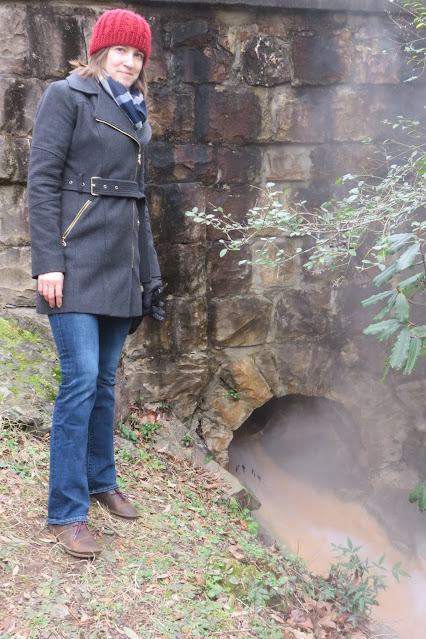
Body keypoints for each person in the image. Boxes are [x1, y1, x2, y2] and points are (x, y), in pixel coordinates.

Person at [28, 8, 165, 558]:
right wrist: (48, 263)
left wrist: (149, 273)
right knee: (81, 379)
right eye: (121, 51)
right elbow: (40, 182)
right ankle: (66, 512)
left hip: (120, 263)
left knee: (106, 381)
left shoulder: (135, 113)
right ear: (100, 52)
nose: (130, 62)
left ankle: (101, 479)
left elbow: (138, 203)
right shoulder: (66, 97)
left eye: (138, 54)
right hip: (75, 258)